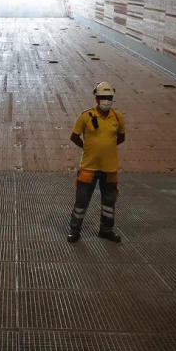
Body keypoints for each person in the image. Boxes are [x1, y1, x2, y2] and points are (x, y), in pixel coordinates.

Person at [67, 81, 125, 243]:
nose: (106, 100)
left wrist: (106, 148)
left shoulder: (118, 117)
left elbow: (121, 137)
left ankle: (106, 230)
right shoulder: (86, 116)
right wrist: (88, 148)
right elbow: (74, 136)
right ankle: (74, 230)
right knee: (82, 199)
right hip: (89, 167)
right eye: (102, 97)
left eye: (108, 97)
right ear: (97, 99)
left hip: (110, 168)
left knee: (109, 201)